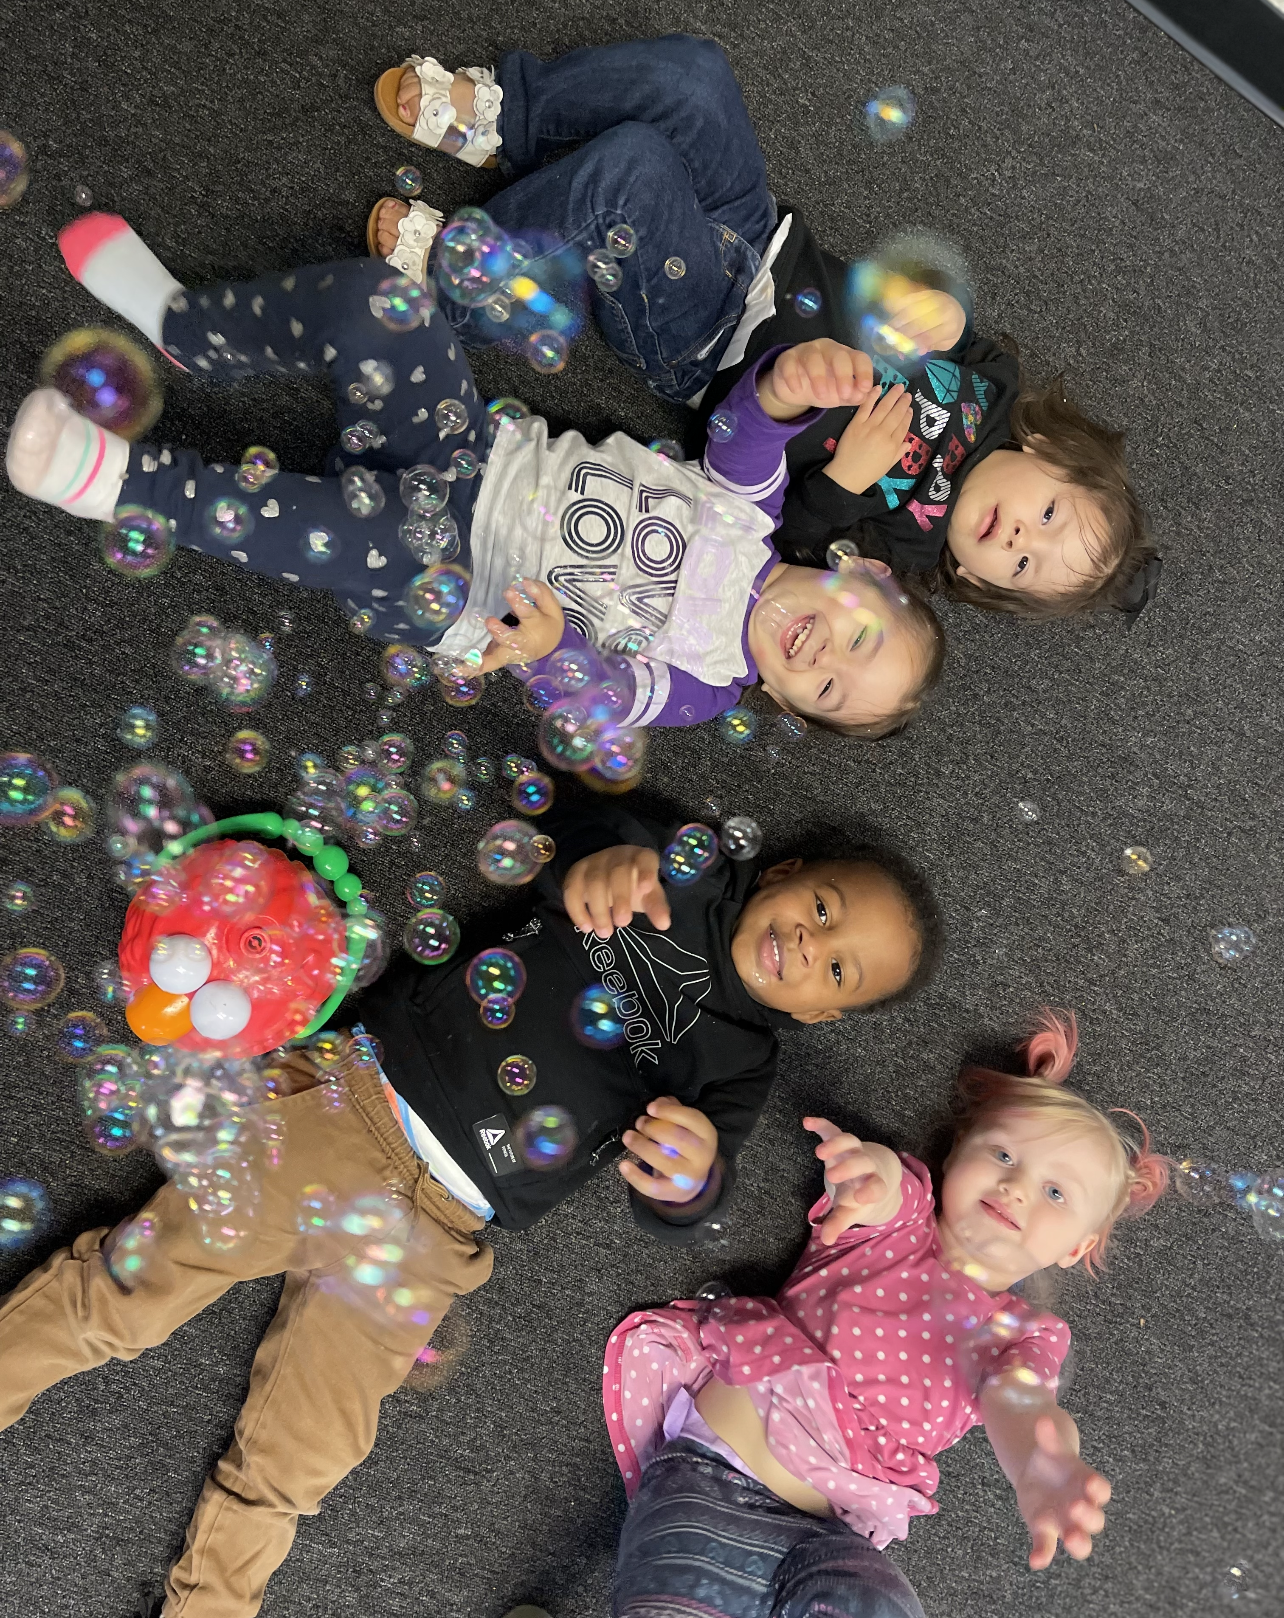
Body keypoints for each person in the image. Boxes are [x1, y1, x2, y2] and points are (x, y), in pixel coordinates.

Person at [0, 799, 939, 1618]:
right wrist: (598, 855)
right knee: (129, 1288)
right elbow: (557, 816)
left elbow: (688, 1201)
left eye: (839, 971)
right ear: (782, 871)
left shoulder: (743, 1062)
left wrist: (688, 1179)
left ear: (819, 1015)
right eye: (824, 909)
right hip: (353, 1105)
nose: (815, 944)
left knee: (299, 1460)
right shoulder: (677, 862)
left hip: (443, 1230)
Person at [5, 217, 944, 739]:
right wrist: (789, 385)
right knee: (388, 302)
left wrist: (547, 654)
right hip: (466, 449)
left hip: (450, 577)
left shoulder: (710, 682)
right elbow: (746, 430)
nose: (821, 660)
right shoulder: (755, 516)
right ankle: (189, 329)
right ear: (862, 575)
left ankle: (125, 483)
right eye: (859, 642)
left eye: (824, 692)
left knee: (346, 533)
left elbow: (606, 696)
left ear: (781, 702)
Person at [371, 36, 1160, 622]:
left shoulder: (908, 544)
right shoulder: (997, 390)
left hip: (712, 340)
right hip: (767, 245)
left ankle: (462, 286)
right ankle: (515, 120)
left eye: (1023, 562)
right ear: (1047, 452)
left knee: (635, 175)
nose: (1020, 532)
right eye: (1049, 516)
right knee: (696, 80)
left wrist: (849, 477)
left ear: (986, 582)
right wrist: (944, 316)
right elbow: (966, 332)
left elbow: (787, 540)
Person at [600, 1011, 1172, 1615]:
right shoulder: (904, 1218)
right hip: (710, 1483)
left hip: (833, 1539)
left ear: (1076, 1248)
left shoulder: (1027, 1335)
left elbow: (1021, 1398)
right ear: (955, 1156)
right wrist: (868, 1175)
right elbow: (883, 1184)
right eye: (1002, 1154)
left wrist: (1041, 1462)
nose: (1018, 1188)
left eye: (1057, 1194)